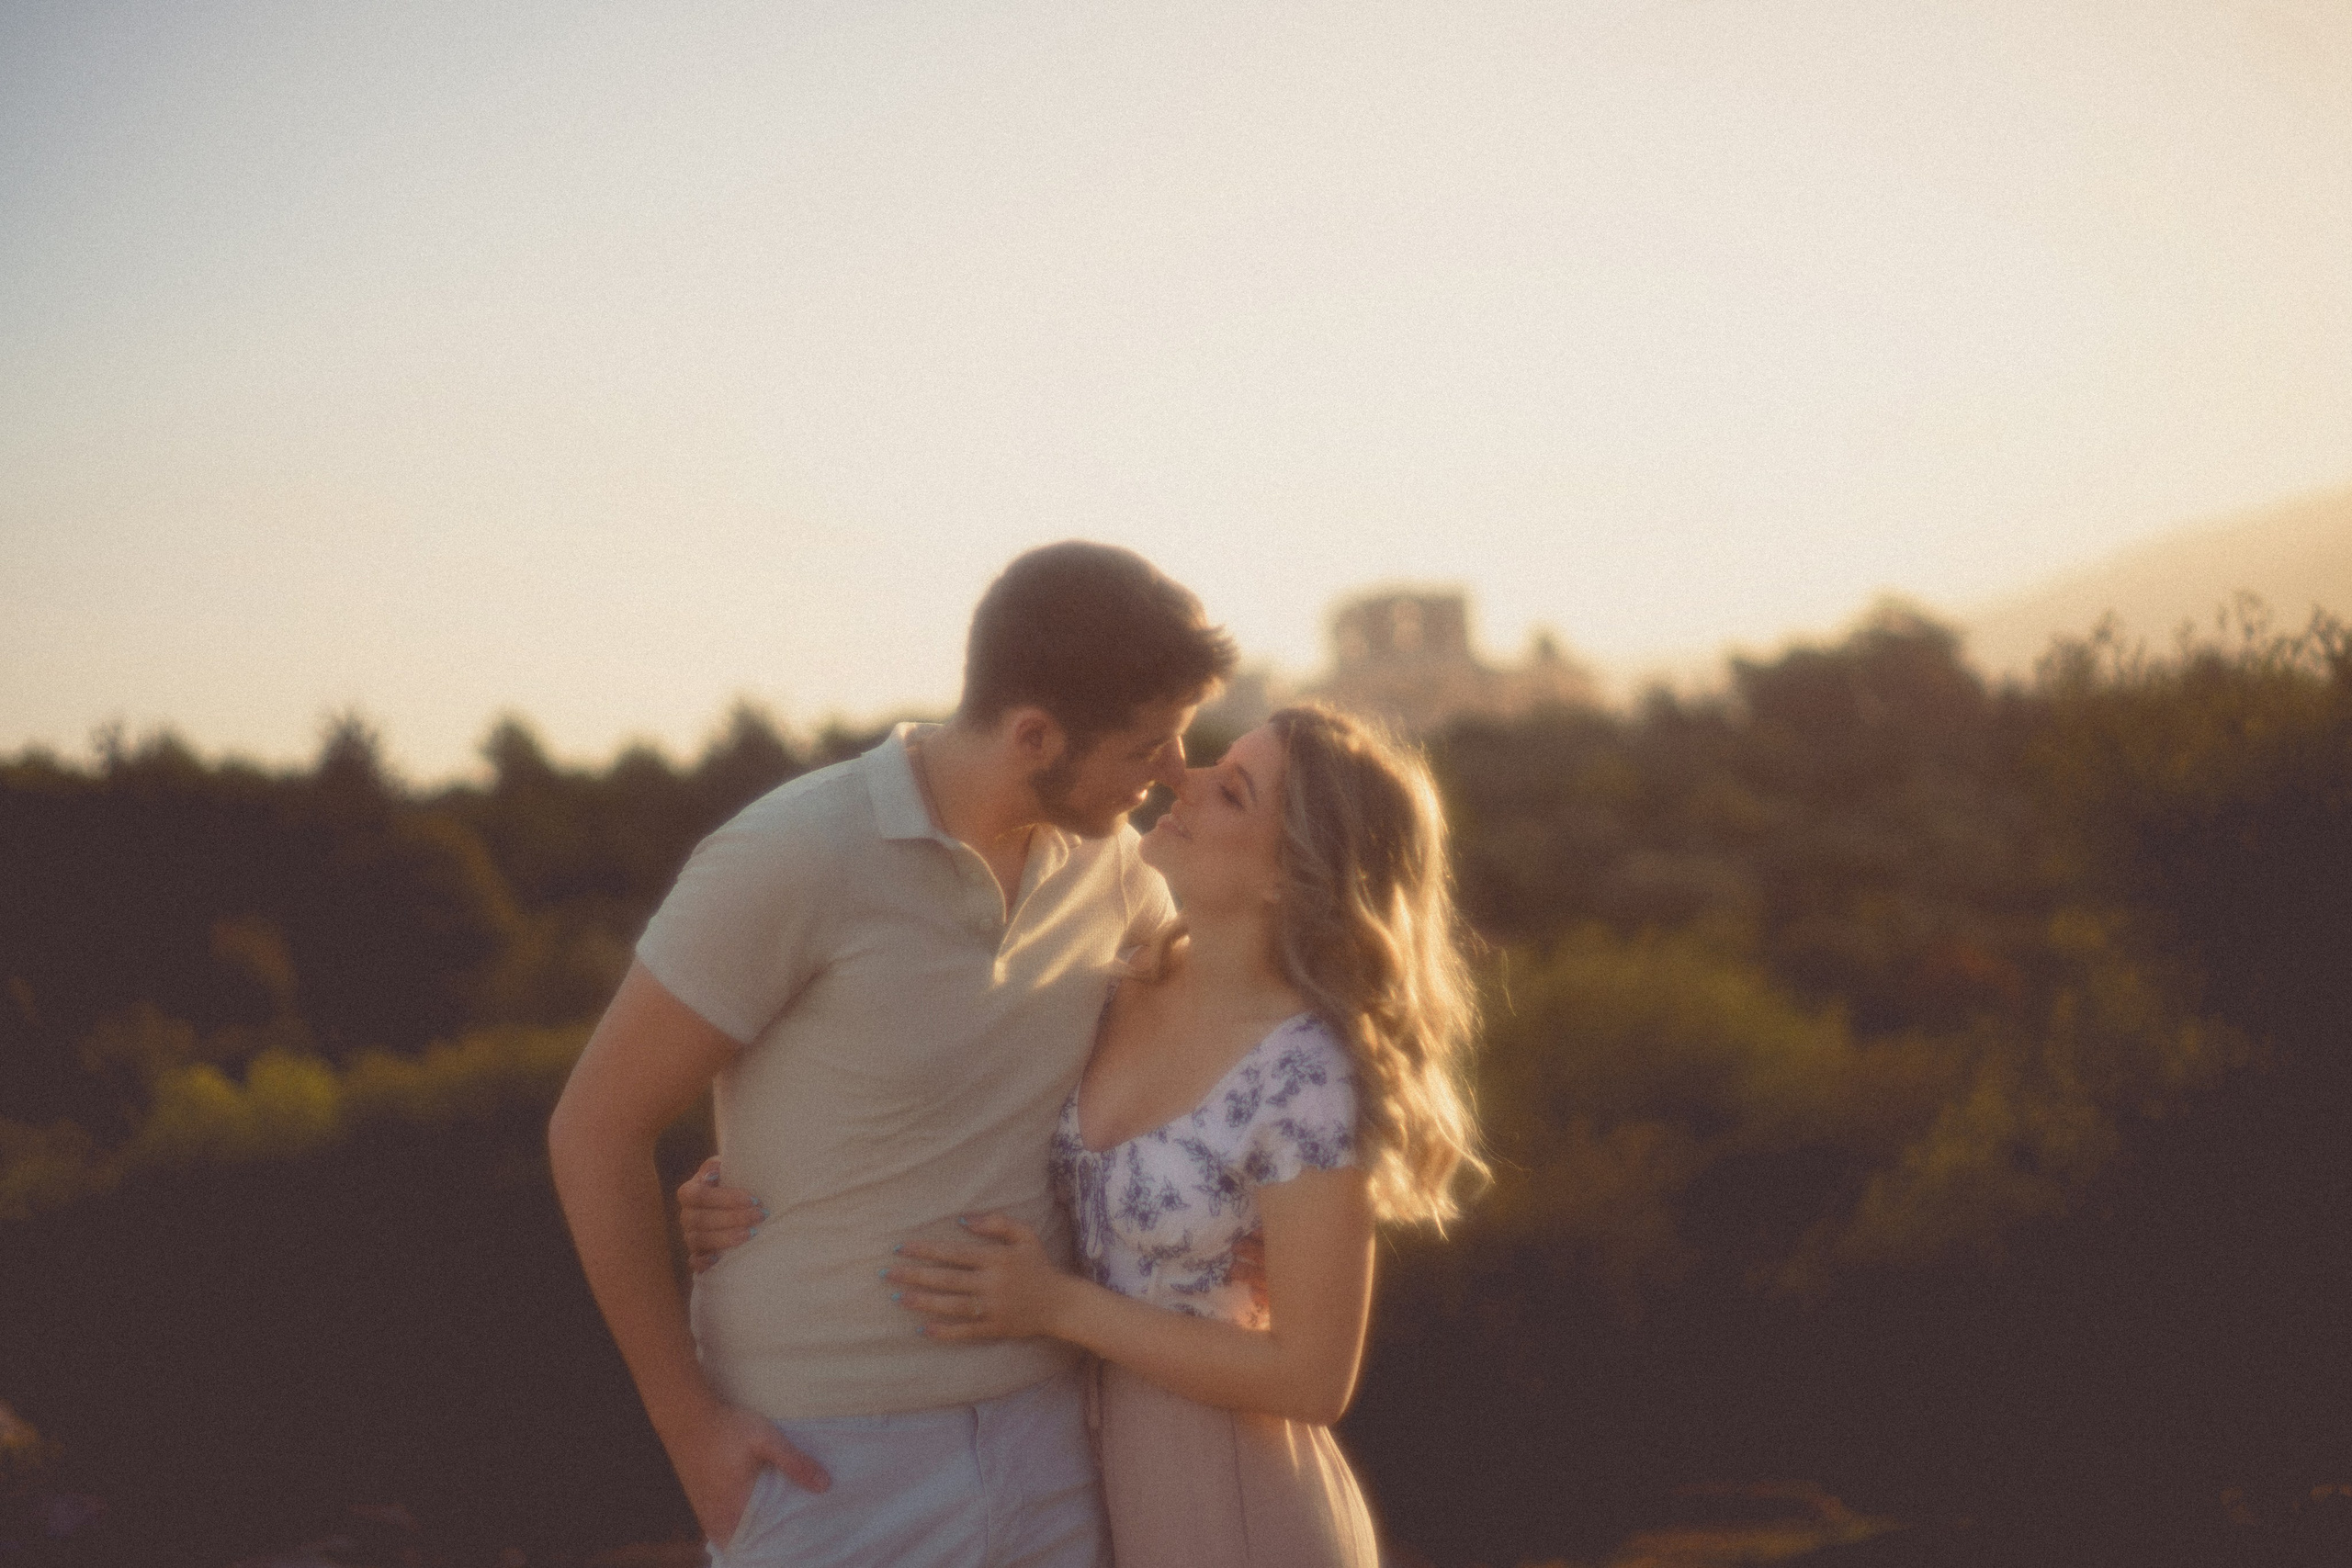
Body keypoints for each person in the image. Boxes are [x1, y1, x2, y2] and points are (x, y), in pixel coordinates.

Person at [547, 541, 1238, 1568]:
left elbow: (1191, 1083)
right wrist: (685, 1426)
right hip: (826, 1463)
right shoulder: (791, 853)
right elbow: (594, 1130)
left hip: (1054, 1442)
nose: (1173, 775)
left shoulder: (1117, 876)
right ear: (1036, 735)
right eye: (1149, 747)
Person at [682, 703, 1487, 1568]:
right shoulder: (1124, 976)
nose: (1188, 775)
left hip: (1235, 1504)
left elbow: (1314, 1378)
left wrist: (1056, 1305)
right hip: (1083, 1473)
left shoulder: (1310, 1075)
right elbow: (957, 1101)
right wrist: (762, 1182)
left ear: (1290, 875)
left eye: (1234, 792)